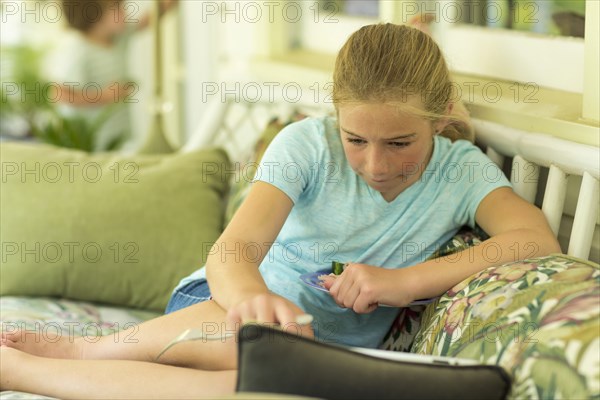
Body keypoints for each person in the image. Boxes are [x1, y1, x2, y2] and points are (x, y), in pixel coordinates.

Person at [0, 23, 560, 398]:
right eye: (355, 139)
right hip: (223, 306)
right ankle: (83, 350)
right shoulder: (306, 145)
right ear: (334, 117)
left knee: (258, 382)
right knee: (254, 354)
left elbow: (534, 240)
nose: (374, 164)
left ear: (439, 120)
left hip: (316, 354)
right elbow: (233, 252)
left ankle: (43, 367)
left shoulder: (460, 170)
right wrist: (253, 300)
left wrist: (405, 280)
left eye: (399, 143)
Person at [46, 0, 176, 151]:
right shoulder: (77, 49)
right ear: (93, 15)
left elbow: (156, 13)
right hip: (89, 144)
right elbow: (59, 94)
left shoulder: (118, 37)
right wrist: (104, 96)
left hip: (119, 138)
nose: (125, 11)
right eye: (117, 8)